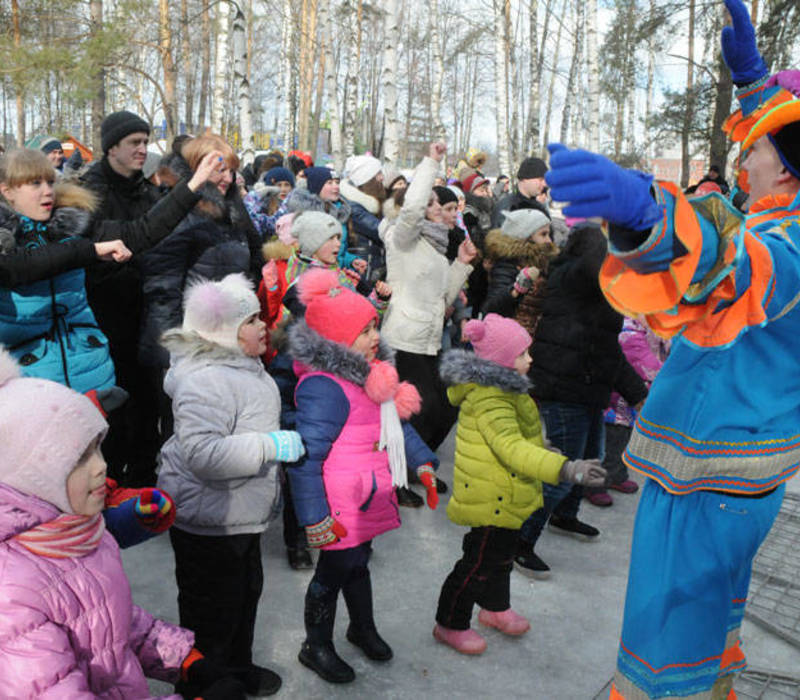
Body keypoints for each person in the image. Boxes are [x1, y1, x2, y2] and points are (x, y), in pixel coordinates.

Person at [544, 3, 800, 697]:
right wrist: (754, 85)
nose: (743, 157)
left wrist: (652, 218)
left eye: (756, 147)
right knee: (705, 634)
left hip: (709, 478)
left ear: (786, 170)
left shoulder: (789, 245)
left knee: (666, 659)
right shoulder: (784, 214)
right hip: (729, 473)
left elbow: (735, 269)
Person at [0, 347, 246, 699]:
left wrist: (184, 660)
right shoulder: (11, 593)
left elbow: (109, 619)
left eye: (98, 447)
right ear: (33, 475)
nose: (101, 465)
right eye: (78, 458)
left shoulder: (80, 534)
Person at [286, 268, 439, 683]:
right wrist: (315, 518)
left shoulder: (371, 375)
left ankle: (361, 627)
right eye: (364, 330)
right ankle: (315, 645)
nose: (375, 336)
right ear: (336, 338)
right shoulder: (325, 387)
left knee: (358, 563)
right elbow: (305, 458)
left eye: (375, 325)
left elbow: (396, 425)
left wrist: (421, 461)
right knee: (333, 571)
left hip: (368, 492)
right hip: (339, 502)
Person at [156, 274, 301, 697]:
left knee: (244, 595)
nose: (263, 325)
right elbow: (203, 456)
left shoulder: (243, 365)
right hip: (209, 521)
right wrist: (268, 444)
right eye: (252, 319)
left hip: (240, 515)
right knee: (211, 613)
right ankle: (204, 684)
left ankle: (236, 669)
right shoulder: (205, 380)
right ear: (222, 331)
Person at [433, 314, 606, 655]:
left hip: (508, 493)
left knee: (502, 556)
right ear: (500, 361)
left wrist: (544, 450)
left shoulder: (508, 391)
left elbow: (520, 439)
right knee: (478, 562)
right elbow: (511, 449)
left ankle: (495, 607)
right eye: (523, 354)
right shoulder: (490, 399)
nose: (530, 359)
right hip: (491, 497)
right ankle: (450, 622)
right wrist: (565, 468)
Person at [80, 110, 225, 486]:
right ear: (112, 147)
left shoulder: (146, 190)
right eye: (135, 143)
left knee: (147, 401)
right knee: (112, 405)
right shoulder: (89, 192)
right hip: (103, 314)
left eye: (146, 142)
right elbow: (136, 235)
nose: (144, 149)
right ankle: (109, 482)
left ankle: (142, 484)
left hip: (146, 310)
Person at [514, 220, 648, 579]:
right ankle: (519, 541)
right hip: (563, 384)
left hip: (588, 385)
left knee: (593, 458)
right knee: (560, 469)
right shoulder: (573, 276)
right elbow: (596, 263)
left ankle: (565, 515)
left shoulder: (604, 293)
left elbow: (607, 351)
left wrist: (637, 394)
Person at [137, 133, 261, 464]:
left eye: (231, 170)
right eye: (219, 170)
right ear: (197, 169)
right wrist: (172, 352)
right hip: (193, 347)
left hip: (229, 342)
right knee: (189, 438)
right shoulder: (180, 213)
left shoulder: (231, 211)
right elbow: (162, 289)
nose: (227, 178)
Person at [379, 142, 476, 505]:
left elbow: (442, 300)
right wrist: (432, 163)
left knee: (446, 405)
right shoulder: (402, 239)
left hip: (428, 339)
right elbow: (414, 206)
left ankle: (415, 467)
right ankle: (396, 476)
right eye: (433, 204)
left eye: (442, 205)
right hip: (402, 338)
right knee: (416, 408)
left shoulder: (436, 249)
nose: (438, 210)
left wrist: (461, 265)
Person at [0, 148, 131, 393]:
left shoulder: (69, 222)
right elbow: (19, 266)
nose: (48, 190)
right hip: (30, 387)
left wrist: (193, 186)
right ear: (7, 191)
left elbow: (140, 232)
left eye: (50, 181)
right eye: (35, 183)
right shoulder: (5, 240)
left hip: (92, 376)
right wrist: (89, 251)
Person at [284, 166, 367, 273]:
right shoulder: (306, 217)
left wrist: (351, 261)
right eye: (329, 183)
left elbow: (337, 252)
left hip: (338, 275)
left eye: (337, 182)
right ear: (316, 186)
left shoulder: (340, 211)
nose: (336, 187)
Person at [481, 208, 557, 318]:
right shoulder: (507, 264)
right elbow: (491, 308)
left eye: (548, 234)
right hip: (515, 330)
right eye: (543, 234)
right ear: (525, 237)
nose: (549, 240)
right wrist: (518, 288)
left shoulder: (547, 260)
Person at [340, 154, 386, 280]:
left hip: (373, 267)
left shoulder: (370, 203)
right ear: (368, 179)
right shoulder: (354, 208)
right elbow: (380, 230)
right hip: (365, 271)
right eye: (378, 174)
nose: (382, 178)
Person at [492, 156, 551, 228]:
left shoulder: (540, 207)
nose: (545, 184)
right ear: (526, 178)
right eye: (541, 179)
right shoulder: (506, 208)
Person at [243, 166, 295, 239]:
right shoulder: (262, 209)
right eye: (278, 185)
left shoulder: (295, 209)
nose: (283, 189)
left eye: (287, 185)